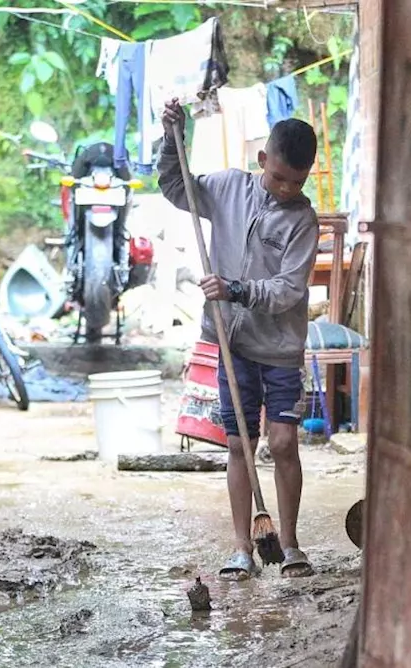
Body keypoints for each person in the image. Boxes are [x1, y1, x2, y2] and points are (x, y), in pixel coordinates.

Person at [157, 97, 319, 580]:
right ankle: (242, 549)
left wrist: (237, 289)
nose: (288, 188)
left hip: (280, 349)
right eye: (280, 177)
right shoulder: (227, 188)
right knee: (239, 445)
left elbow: (290, 289)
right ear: (262, 161)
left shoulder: (303, 221)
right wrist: (173, 140)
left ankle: (289, 545)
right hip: (232, 345)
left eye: (299, 181)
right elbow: (175, 187)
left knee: (284, 442)